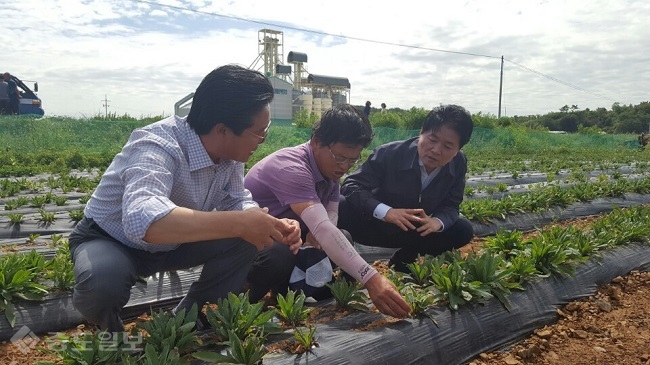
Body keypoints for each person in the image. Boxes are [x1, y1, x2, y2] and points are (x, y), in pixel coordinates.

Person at [68, 64, 303, 333]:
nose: (262, 140)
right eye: (259, 132)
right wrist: (240, 222)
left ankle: (189, 314)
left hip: (171, 244)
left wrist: (268, 223)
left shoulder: (230, 157)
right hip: (112, 239)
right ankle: (109, 332)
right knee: (102, 285)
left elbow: (238, 201)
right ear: (223, 130)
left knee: (248, 235)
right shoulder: (156, 143)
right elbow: (142, 220)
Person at [244, 104, 411, 318]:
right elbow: (322, 227)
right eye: (340, 157)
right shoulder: (292, 168)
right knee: (280, 254)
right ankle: (241, 301)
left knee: (343, 237)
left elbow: (331, 212)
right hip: (248, 243)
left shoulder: (328, 170)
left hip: (289, 235)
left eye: (353, 160)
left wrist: (319, 233)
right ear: (316, 142)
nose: (344, 167)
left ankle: (287, 290)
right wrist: (371, 277)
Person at [338, 104, 475, 273]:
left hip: (413, 232)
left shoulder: (459, 163)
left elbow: (451, 205)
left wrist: (436, 222)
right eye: (432, 140)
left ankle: (404, 260)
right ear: (421, 133)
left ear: (457, 150)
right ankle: (348, 266)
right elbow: (351, 186)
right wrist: (386, 212)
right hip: (372, 225)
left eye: (447, 146)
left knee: (462, 229)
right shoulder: (389, 153)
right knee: (338, 204)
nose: (436, 150)